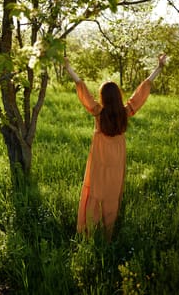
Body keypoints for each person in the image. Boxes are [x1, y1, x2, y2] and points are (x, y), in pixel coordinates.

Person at [64, 53, 167, 242]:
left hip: (99, 155)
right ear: (118, 96)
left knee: (95, 190)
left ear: (103, 97)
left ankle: (90, 231)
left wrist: (69, 68)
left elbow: (83, 90)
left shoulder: (98, 112)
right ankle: (107, 233)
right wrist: (158, 68)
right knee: (111, 193)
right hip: (117, 156)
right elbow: (141, 93)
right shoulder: (125, 112)